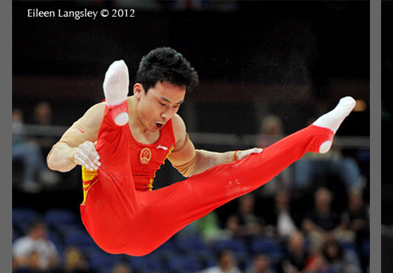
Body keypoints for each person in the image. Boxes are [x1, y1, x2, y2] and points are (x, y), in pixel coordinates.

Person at [47, 47, 355, 256]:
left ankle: (316, 135)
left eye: (176, 105)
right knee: (110, 153)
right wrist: (75, 154)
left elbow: (193, 164)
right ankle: (116, 112)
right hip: (106, 219)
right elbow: (55, 157)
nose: (167, 113)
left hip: (147, 224)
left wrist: (233, 159)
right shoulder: (96, 114)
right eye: (162, 102)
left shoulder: (174, 127)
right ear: (138, 90)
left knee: (236, 175)